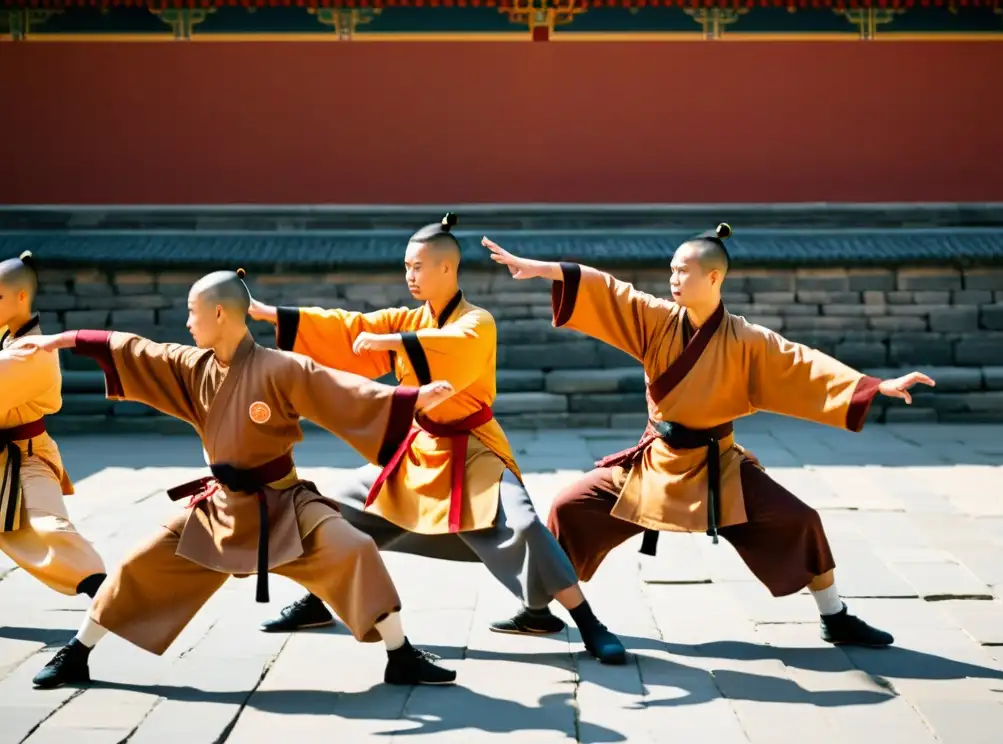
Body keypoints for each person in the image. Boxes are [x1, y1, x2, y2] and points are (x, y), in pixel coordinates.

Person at [481, 225, 936, 647]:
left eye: (685, 271)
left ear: (714, 277)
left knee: (799, 519)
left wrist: (876, 386)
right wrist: (542, 270)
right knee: (569, 506)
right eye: (672, 270)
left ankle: (835, 616)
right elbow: (608, 290)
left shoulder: (748, 340)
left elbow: (804, 365)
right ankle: (537, 609)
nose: (674, 279)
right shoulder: (657, 320)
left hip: (720, 467)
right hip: (656, 462)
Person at [16, 269, 459, 690]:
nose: (187, 322)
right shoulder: (194, 368)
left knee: (356, 549)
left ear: (220, 314)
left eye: (192, 312)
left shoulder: (281, 368)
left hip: (283, 504)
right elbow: (136, 349)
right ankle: (76, 652)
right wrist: (68, 340)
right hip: (219, 507)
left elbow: (344, 390)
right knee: (138, 563)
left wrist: (414, 396)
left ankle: (400, 655)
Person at [249, 214, 626, 664]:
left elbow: (449, 346)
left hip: (473, 450)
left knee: (523, 525)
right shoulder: (406, 318)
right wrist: (264, 313)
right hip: (417, 451)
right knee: (332, 510)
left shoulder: (477, 322)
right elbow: (348, 328)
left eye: (418, 267)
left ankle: (587, 622)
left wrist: (392, 342)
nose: (409, 276)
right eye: (406, 267)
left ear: (447, 269)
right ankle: (316, 600)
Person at [0, 251, 106, 601]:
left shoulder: (31, 349)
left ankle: (108, 592)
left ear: (21, 297)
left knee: (49, 530)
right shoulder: (7, 334)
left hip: (24, 458)